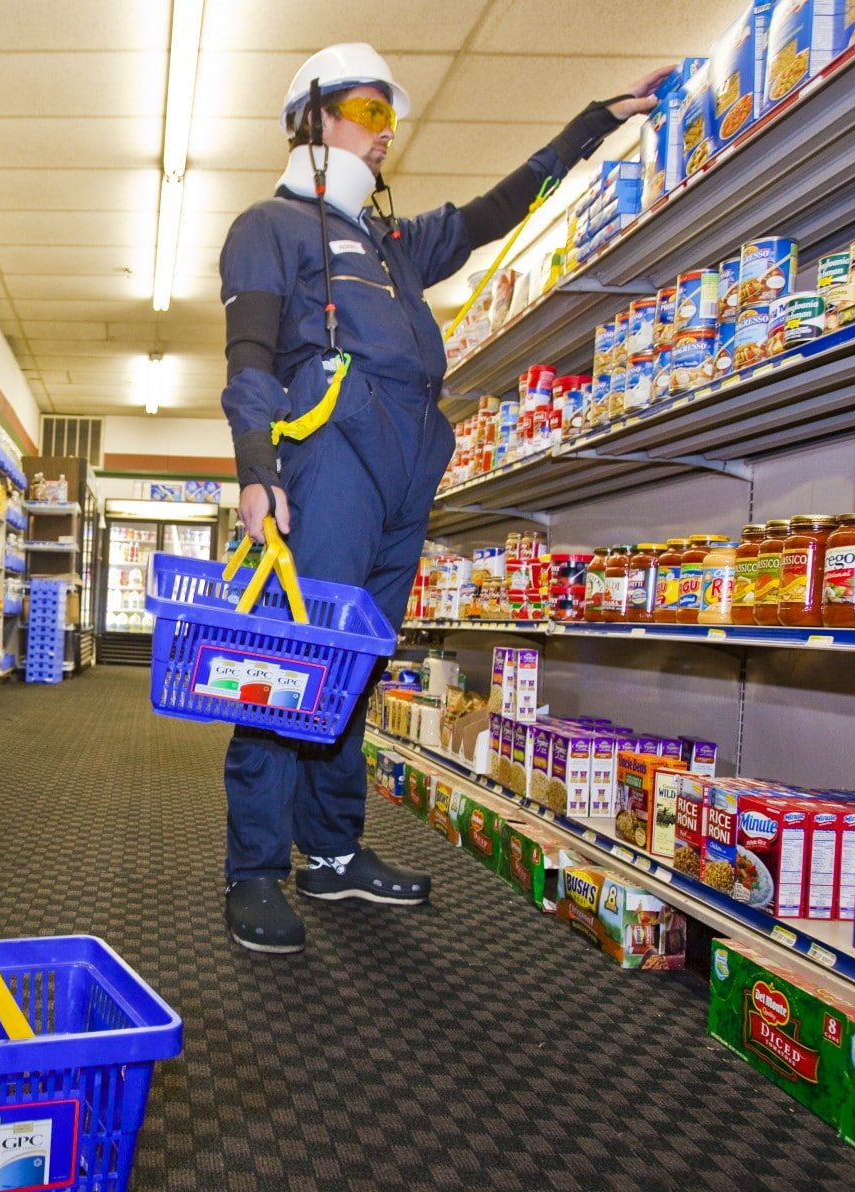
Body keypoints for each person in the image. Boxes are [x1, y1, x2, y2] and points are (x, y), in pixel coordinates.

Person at [216, 43, 669, 954]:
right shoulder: (266, 225)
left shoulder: (391, 244)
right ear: (312, 119)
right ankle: (256, 870)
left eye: (393, 116)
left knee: (358, 670)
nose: (387, 134)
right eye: (370, 112)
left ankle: (333, 856)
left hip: (407, 467)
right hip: (327, 461)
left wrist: (588, 128)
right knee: (288, 663)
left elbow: (494, 212)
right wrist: (256, 469)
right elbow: (251, 357)